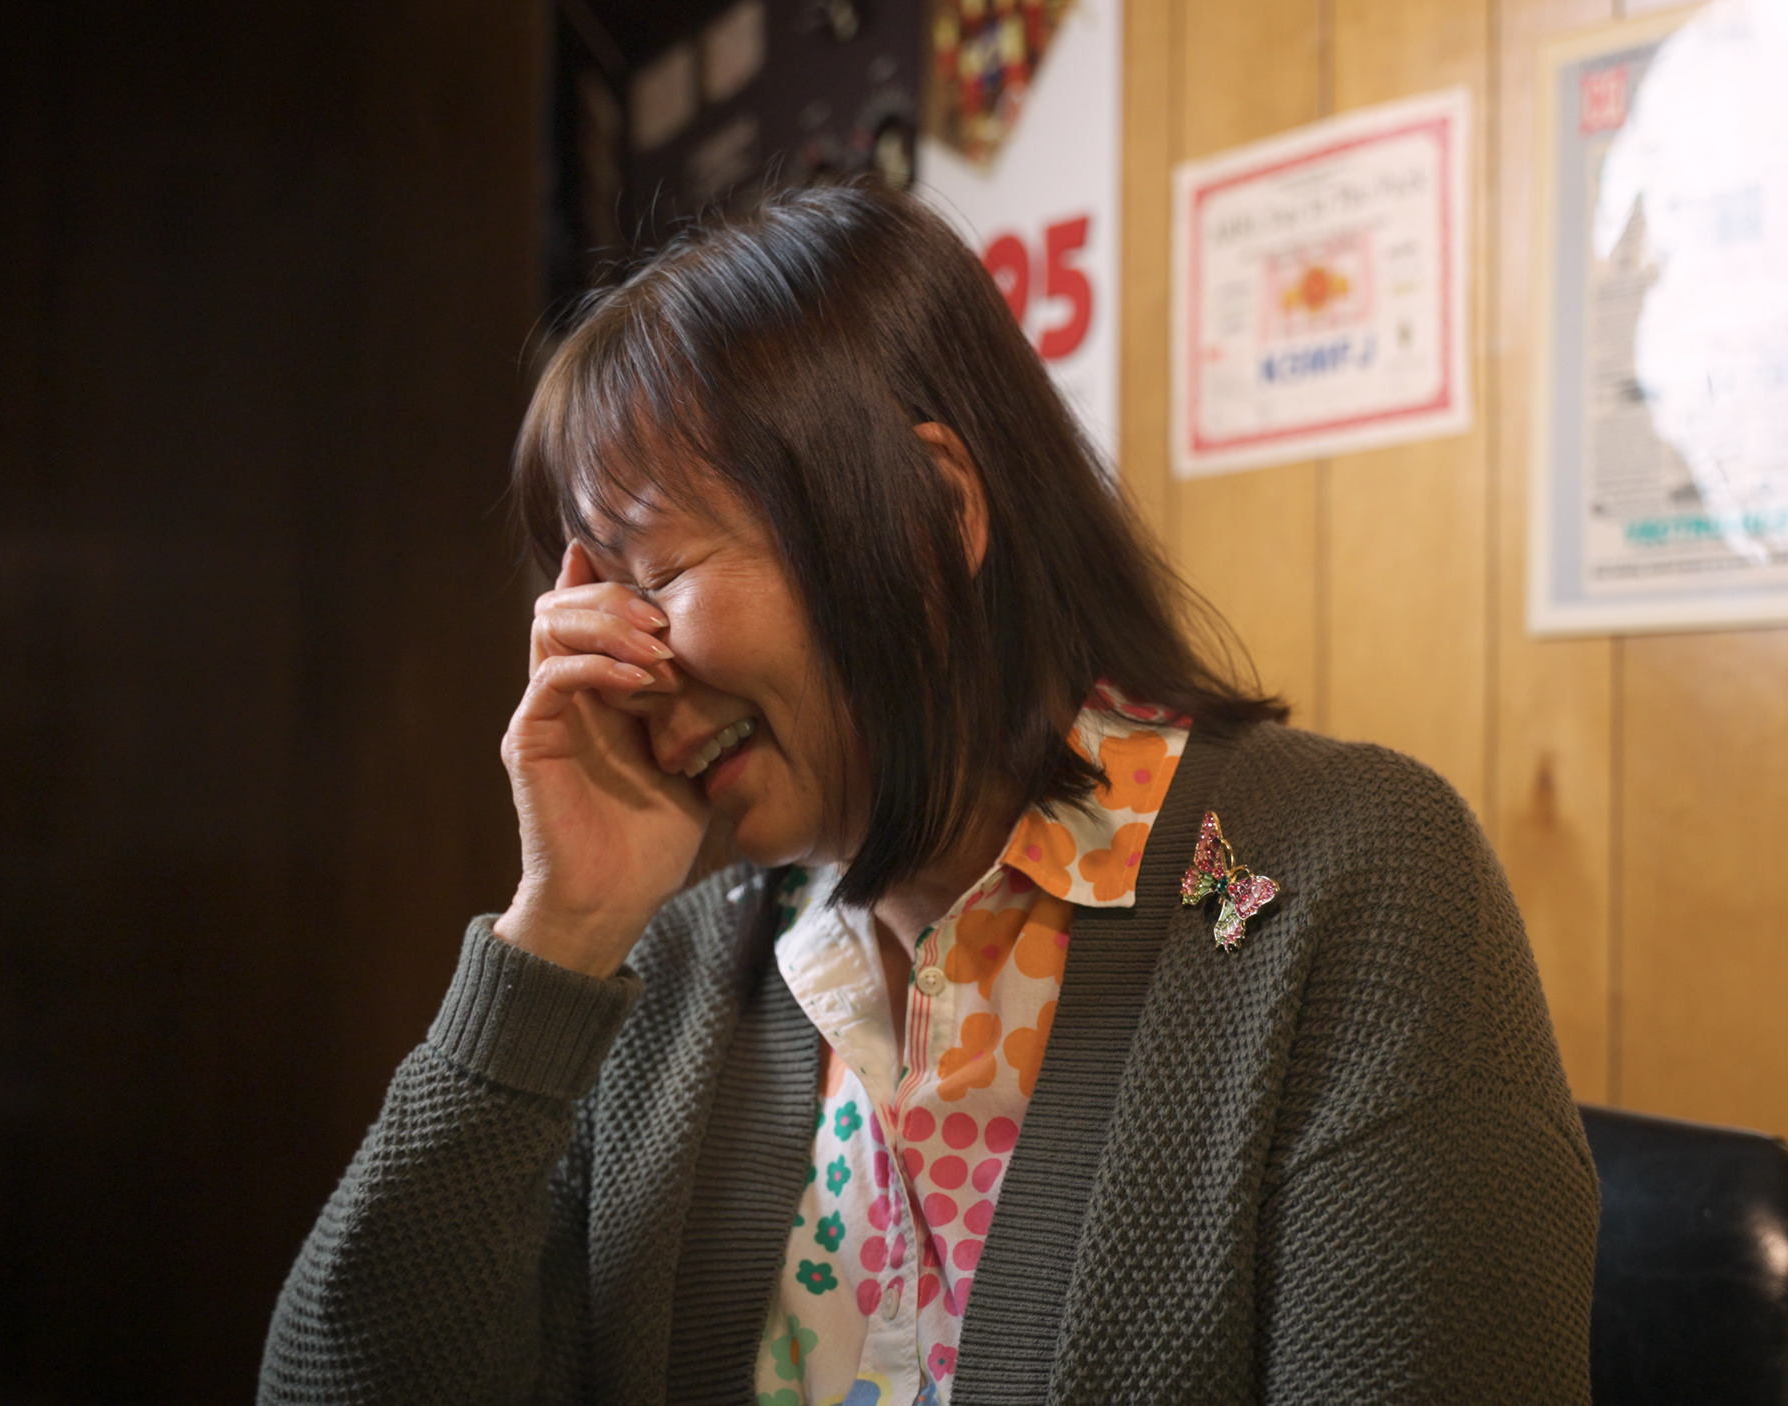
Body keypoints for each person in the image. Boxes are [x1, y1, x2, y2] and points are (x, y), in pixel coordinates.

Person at [260, 183, 1596, 1406]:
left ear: (923, 514)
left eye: (653, 577)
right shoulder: (664, 961)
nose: (618, 664)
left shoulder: (1351, 883)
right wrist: (556, 935)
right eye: (588, 596)